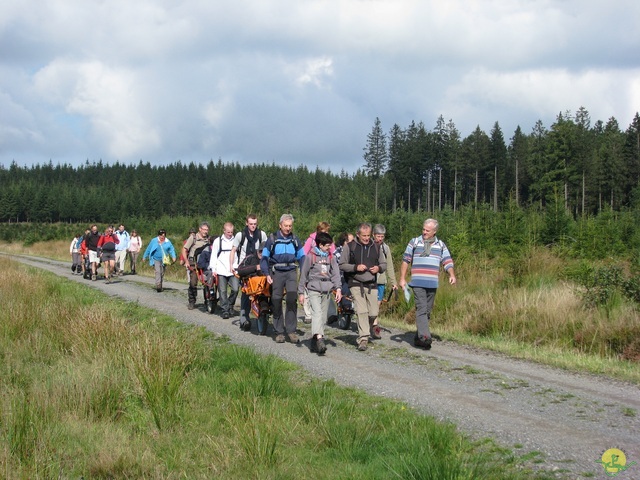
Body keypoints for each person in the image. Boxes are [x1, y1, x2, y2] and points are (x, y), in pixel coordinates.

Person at [398, 218, 456, 350]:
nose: (424, 232)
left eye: (427, 230)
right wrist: (402, 278)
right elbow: (406, 260)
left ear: (434, 232)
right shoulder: (415, 242)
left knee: (427, 311)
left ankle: (418, 337)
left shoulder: (440, 245)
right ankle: (425, 337)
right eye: (423, 229)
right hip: (417, 282)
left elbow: (447, 261)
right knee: (422, 309)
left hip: (432, 283)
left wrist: (451, 275)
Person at [339, 222, 386, 351]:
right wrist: (355, 267)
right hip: (355, 283)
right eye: (363, 235)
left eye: (368, 235)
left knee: (373, 313)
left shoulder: (376, 247)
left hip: (371, 283)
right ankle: (363, 339)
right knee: (361, 311)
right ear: (357, 234)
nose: (366, 238)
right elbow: (342, 265)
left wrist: (378, 268)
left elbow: (384, 264)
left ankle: (368, 328)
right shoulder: (350, 247)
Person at [260, 213, 305, 344]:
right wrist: (266, 273)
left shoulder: (295, 239)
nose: (288, 228)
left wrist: (304, 271)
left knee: (291, 299)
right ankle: (279, 331)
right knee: (276, 299)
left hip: (291, 271)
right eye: (286, 226)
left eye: (290, 226)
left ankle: (291, 331)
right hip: (277, 272)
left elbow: (302, 257)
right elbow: (264, 258)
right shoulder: (272, 239)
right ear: (280, 225)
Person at [298, 232, 342, 355]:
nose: (330, 248)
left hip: (327, 289)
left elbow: (336, 274)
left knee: (322, 318)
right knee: (317, 313)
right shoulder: (310, 256)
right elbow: (303, 275)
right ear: (320, 245)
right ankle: (320, 339)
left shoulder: (331, 257)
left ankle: (314, 341)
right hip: (313, 289)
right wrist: (301, 292)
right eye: (328, 245)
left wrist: (338, 289)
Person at [230, 214, 268, 329]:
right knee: (246, 292)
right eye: (251, 224)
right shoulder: (240, 235)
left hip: (259, 265)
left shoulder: (262, 235)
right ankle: (244, 319)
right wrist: (231, 265)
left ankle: (263, 312)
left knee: (262, 290)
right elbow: (233, 250)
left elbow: (266, 248)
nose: (253, 226)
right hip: (245, 267)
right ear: (247, 223)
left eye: (255, 224)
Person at [302, 221, 335, 324]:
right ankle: (308, 314)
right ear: (319, 230)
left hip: (325, 268)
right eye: (324, 230)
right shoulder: (311, 239)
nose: (326, 232)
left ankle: (330, 314)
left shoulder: (329, 241)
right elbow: (304, 252)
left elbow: (333, 252)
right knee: (308, 291)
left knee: (327, 290)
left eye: (327, 231)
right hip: (312, 268)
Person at [372, 223, 398, 339]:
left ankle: (374, 326)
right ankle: (372, 325)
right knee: (370, 304)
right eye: (378, 236)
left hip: (381, 280)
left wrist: (393, 282)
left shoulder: (386, 248)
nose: (380, 239)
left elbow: (390, 266)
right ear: (373, 235)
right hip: (369, 280)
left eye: (382, 236)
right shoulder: (368, 246)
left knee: (377, 304)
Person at [210, 222, 239, 319]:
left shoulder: (236, 241)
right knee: (222, 291)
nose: (230, 234)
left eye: (231, 232)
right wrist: (213, 269)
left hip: (233, 270)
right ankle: (225, 310)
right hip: (221, 270)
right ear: (224, 231)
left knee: (235, 289)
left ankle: (230, 304)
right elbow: (214, 256)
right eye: (228, 232)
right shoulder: (218, 241)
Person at [182, 222, 210, 310]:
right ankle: (192, 301)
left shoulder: (209, 239)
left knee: (207, 283)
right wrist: (186, 261)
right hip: (193, 263)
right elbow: (184, 249)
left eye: (207, 230)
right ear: (200, 229)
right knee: (193, 283)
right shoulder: (193, 238)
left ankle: (208, 301)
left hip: (205, 264)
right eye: (204, 229)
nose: (206, 231)